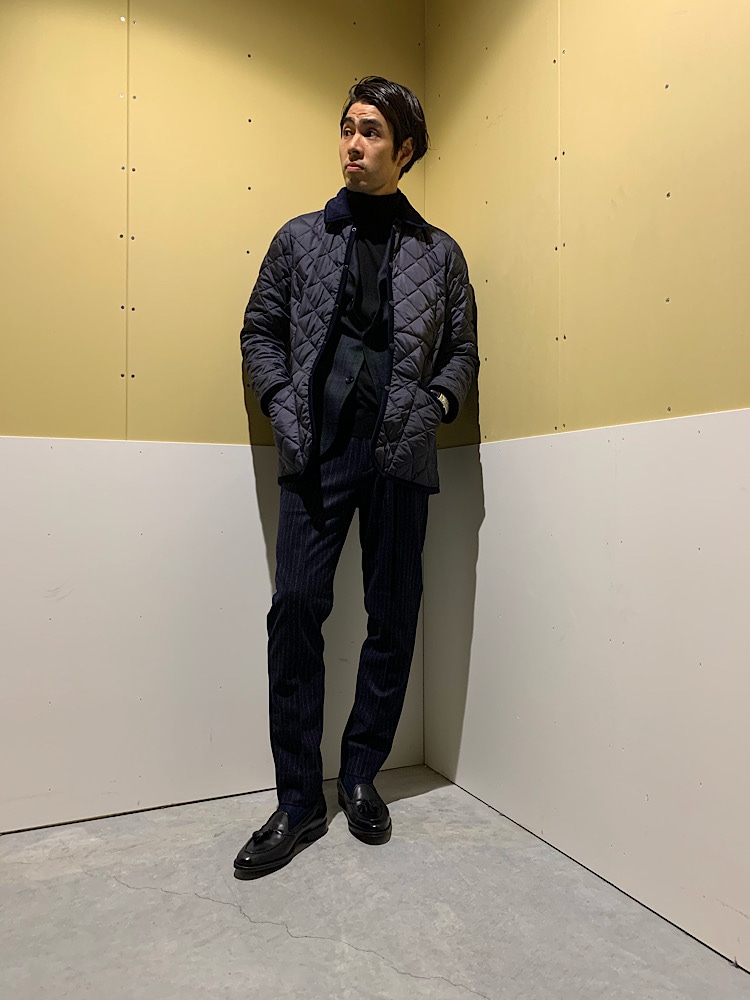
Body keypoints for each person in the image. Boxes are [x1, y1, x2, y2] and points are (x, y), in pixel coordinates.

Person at [235, 76, 478, 878]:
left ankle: (364, 773)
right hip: (317, 451)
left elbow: (462, 350)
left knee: (393, 613)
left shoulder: (440, 253)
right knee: (295, 610)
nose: (352, 143)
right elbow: (260, 330)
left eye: (370, 132)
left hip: (400, 454)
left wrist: (434, 404)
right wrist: (283, 405)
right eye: (347, 128)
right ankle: (299, 799)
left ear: (404, 151)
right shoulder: (299, 239)